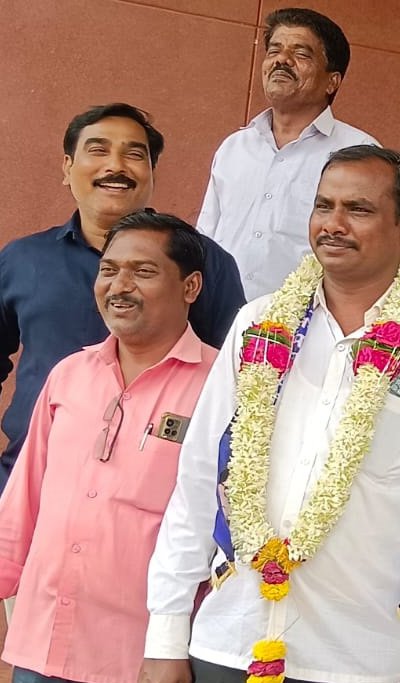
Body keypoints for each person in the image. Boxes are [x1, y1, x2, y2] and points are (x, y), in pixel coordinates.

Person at [140, 146, 400, 683]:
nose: (333, 224)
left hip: (360, 657)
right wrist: (165, 636)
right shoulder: (260, 323)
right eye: (324, 206)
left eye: (358, 209)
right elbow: (199, 479)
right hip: (231, 640)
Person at [0, 212, 219, 683]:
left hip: (144, 652)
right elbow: (24, 495)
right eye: (109, 270)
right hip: (43, 640)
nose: (120, 286)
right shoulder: (69, 374)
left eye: (143, 271)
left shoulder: (220, 387)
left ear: (190, 286)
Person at [0, 103, 243, 491]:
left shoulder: (204, 262)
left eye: (134, 154)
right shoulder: (22, 259)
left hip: (151, 495)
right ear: (67, 168)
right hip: (25, 480)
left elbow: (233, 380)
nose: (116, 166)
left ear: (151, 173)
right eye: (98, 150)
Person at [196, 7, 377, 299]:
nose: (282, 60)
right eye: (274, 50)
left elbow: (369, 252)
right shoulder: (234, 147)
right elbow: (205, 238)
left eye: (301, 53)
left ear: (332, 81)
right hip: (219, 316)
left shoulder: (359, 153)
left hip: (306, 319)